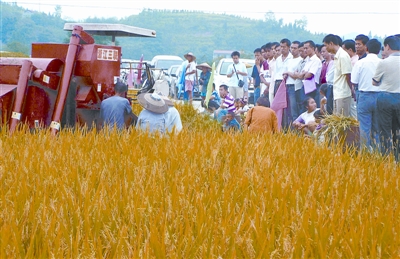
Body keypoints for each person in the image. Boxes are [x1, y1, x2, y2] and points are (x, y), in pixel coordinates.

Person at [351, 39, 382, 151]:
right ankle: (378, 153)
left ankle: (365, 153)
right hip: (379, 96)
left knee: (364, 127)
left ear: (367, 49)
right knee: (377, 128)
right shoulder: (382, 62)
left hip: (364, 95)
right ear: (379, 50)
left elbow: (354, 81)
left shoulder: (360, 63)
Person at [372, 35, 400, 158]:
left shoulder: (384, 62)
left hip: (386, 98)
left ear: (388, 46)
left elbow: (375, 82)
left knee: (385, 130)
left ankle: (386, 157)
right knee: (398, 130)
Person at [323, 34, 353, 116]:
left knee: (343, 121)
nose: (326, 48)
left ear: (331, 44)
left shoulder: (343, 56)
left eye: (326, 45)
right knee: (337, 121)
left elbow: (348, 75)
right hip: (337, 93)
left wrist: (352, 90)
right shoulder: (337, 56)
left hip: (343, 93)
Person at [283, 40, 302, 122]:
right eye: (292, 48)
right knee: (287, 110)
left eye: (295, 48)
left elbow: (295, 76)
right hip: (286, 85)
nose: (293, 50)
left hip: (295, 86)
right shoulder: (288, 60)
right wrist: (287, 73)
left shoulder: (300, 60)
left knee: (294, 109)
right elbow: (284, 73)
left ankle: (295, 130)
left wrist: (288, 73)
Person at [299, 40, 322, 105]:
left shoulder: (316, 60)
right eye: (304, 48)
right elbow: (300, 76)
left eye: (307, 48)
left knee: (311, 106)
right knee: (304, 106)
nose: (305, 50)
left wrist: (304, 73)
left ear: (312, 48)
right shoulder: (307, 60)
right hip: (305, 85)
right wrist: (304, 73)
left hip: (313, 86)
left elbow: (309, 75)